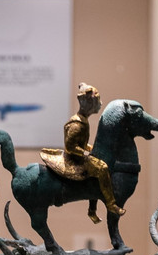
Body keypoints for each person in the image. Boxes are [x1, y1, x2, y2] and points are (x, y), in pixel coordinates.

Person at [41, 83, 125, 220]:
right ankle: (111, 204)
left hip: (79, 156)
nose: (100, 104)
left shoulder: (83, 120)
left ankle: (92, 211)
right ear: (90, 104)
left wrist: (89, 148)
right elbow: (70, 147)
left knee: (98, 165)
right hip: (74, 160)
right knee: (102, 168)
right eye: (97, 102)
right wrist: (85, 153)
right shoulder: (77, 125)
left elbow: (81, 143)